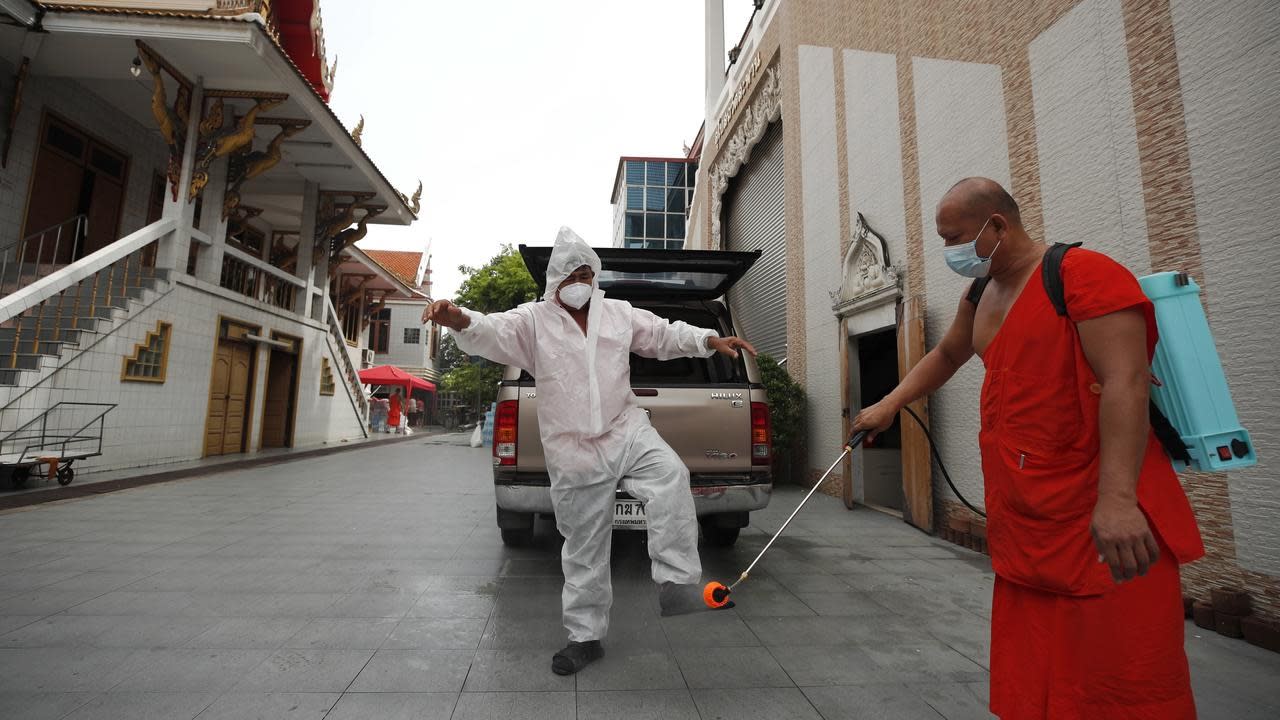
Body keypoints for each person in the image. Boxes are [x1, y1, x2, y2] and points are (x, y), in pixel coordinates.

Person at [852, 178, 1204, 719]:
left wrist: (1117, 502)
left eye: (957, 238)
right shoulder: (980, 291)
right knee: (1037, 673)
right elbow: (947, 355)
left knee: (1118, 678)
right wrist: (889, 404)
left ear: (997, 225)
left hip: (1099, 515)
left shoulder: (1083, 276)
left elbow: (1126, 382)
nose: (952, 253)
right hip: (1029, 519)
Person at [426, 227, 756, 675]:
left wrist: (707, 340)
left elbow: (662, 334)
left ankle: (677, 585)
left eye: (586, 272)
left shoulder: (617, 313)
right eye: (572, 274)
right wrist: (459, 317)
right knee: (584, 546)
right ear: (555, 282)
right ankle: (585, 637)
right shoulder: (533, 321)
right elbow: (491, 329)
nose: (581, 280)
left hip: (625, 427)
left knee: (670, 475)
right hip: (573, 447)